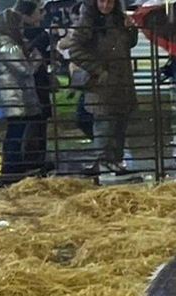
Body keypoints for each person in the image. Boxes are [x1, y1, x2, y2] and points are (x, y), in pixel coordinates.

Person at [63, 0, 138, 175]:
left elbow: (129, 43)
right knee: (104, 123)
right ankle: (104, 161)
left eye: (110, 1)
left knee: (119, 123)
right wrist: (98, 70)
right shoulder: (87, 22)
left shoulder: (118, 19)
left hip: (121, 81)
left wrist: (130, 28)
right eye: (102, 1)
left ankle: (115, 161)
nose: (106, 5)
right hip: (102, 84)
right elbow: (74, 48)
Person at [0, 9, 42, 182]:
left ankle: (14, 166)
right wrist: (36, 60)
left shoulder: (0, 43)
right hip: (13, 96)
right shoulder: (8, 45)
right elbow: (24, 69)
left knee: (16, 131)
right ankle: (11, 167)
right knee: (16, 132)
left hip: (10, 95)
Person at [15, 0, 55, 175]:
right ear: (27, 15)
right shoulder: (29, 34)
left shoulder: (27, 33)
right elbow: (33, 57)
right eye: (38, 11)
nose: (42, 14)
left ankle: (36, 158)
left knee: (39, 120)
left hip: (37, 83)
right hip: (34, 83)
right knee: (36, 121)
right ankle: (33, 159)